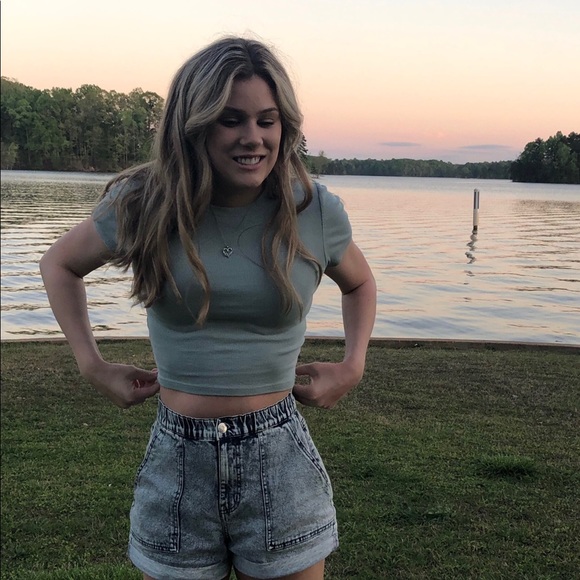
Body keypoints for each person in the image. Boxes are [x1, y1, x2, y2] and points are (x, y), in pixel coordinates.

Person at [40, 35, 376, 580]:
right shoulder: (146, 203)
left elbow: (359, 284)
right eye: (230, 120)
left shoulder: (312, 210)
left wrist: (352, 365)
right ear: (192, 125)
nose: (253, 138)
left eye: (267, 120)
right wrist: (91, 365)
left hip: (280, 456)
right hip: (176, 457)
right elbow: (59, 264)